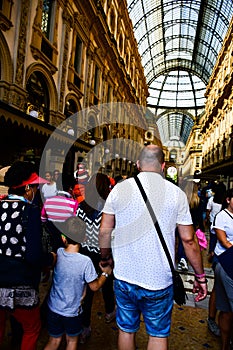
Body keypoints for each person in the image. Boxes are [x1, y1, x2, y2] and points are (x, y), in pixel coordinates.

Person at [99, 145, 208, 350]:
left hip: (124, 276)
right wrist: (200, 277)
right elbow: (189, 240)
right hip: (158, 280)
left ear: (138, 164)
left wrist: (105, 258)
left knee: (126, 330)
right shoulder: (176, 194)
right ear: (163, 166)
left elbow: (105, 231)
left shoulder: (119, 190)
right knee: (158, 335)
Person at [0, 161, 56, 350]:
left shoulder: (0, 205)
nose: (35, 191)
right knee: (32, 328)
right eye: (34, 187)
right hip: (20, 280)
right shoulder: (30, 211)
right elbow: (33, 256)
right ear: (26, 188)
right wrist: (50, 258)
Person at [44, 216, 112, 350]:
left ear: (64, 238)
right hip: (72, 312)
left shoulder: (58, 253)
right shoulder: (85, 262)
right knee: (71, 341)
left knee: (54, 341)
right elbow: (95, 286)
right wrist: (106, 273)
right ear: (84, 239)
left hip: (53, 308)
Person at [77, 173, 116, 343]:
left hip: (85, 253)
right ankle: (109, 312)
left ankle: (85, 327)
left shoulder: (81, 206)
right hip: (103, 252)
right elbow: (107, 233)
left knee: (87, 291)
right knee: (107, 281)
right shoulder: (108, 208)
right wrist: (106, 254)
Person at [211, 188, 233, 350]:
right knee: (221, 298)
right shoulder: (221, 216)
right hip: (225, 260)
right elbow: (224, 241)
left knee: (227, 308)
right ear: (228, 200)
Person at [41, 173, 78, 252]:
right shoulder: (74, 204)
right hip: (67, 243)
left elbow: (43, 219)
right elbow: (75, 221)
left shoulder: (48, 201)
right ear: (70, 188)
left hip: (51, 242)